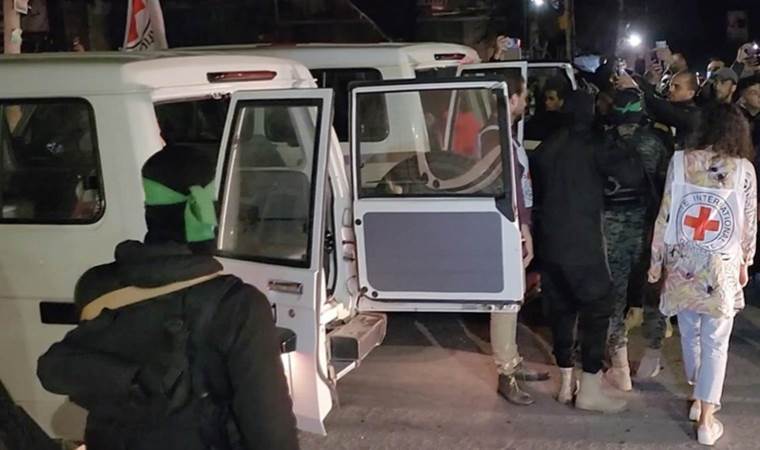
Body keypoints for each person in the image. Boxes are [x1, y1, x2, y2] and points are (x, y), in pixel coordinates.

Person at [37, 144, 299, 450]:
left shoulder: (94, 288)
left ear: (150, 211)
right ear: (213, 211)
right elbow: (271, 433)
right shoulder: (239, 305)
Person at [648, 104, 756, 446]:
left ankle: (698, 397)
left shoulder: (680, 161)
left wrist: (656, 260)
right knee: (716, 342)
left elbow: (666, 213)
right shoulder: (744, 169)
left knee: (689, 332)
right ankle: (707, 420)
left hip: (683, 262)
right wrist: (747, 262)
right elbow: (748, 222)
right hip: (722, 265)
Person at [532, 90, 643, 412]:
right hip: (583, 244)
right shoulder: (595, 144)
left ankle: (566, 384)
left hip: (549, 243)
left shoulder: (546, 147)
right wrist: (619, 135)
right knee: (597, 308)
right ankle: (590, 390)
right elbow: (631, 175)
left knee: (561, 311)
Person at [481, 72, 550, 406]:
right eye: (523, 96)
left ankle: (512, 361)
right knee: (505, 302)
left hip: (510, 226)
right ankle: (506, 373)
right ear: (511, 100)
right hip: (506, 227)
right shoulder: (495, 137)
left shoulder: (500, 134)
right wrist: (523, 227)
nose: (526, 102)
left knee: (511, 300)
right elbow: (511, 192)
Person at [602, 89, 669, 391]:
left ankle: (620, 368)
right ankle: (651, 357)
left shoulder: (603, 142)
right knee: (652, 292)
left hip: (611, 230)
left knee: (614, 297)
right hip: (648, 229)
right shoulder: (655, 143)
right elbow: (666, 187)